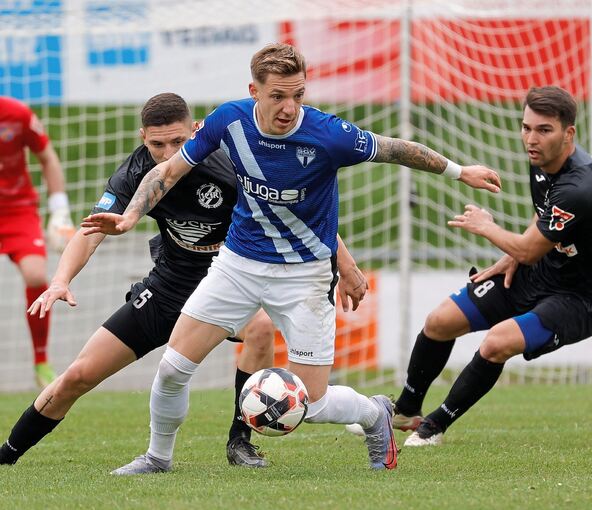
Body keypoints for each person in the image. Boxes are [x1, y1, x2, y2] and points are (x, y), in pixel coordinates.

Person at [82, 43, 500, 474]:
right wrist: (130, 215)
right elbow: (167, 172)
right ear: (254, 90)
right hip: (237, 264)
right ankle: (158, 457)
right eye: (278, 95)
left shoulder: (328, 134)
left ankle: (376, 415)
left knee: (311, 404)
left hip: (305, 275)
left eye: (297, 95)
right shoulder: (229, 120)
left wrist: (458, 171)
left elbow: (394, 148)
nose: (288, 107)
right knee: (172, 368)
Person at [0, 92, 369, 469]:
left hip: (230, 286)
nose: (167, 153)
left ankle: (239, 441)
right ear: (143, 137)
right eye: (157, 144)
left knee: (259, 329)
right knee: (78, 375)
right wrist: (60, 279)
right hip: (168, 288)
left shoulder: (229, 166)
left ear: (196, 130)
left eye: (178, 142)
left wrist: (346, 265)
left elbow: (294, 216)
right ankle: (6, 457)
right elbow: (91, 231)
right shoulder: (136, 174)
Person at [383, 85, 592, 447]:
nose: (531, 139)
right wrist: (512, 254)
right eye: (526, 127)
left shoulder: (580, 186)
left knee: (496, 343)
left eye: (544, 130)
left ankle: (434, 427)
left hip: (580, 297)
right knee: (439, 322)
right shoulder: (543, 160)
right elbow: (541, 219)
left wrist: (487, 227)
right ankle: (406, 410)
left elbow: (531, 249)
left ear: (569, 133)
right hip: (539, 271)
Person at [0, 96, 75, 389]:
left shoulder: (17, 114)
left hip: (18, 209)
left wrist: (59, 211)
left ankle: (41, 361)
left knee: (35, 275)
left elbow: (47, 157)